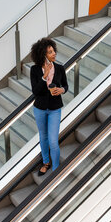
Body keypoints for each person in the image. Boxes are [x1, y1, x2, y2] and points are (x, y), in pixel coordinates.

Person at [30, 38, 68, 176]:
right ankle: (46, 162)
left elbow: (66, 85)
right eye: (50, 52)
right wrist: (44, 76)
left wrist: (61, 90)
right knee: (43, 136)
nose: (54, 54)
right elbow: (36, 91)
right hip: (39, 108)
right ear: (43, 55)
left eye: (53, 51)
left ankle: (56, 170)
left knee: (53, 140)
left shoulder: (60, 68)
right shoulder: (34, 70)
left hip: (54, 109)